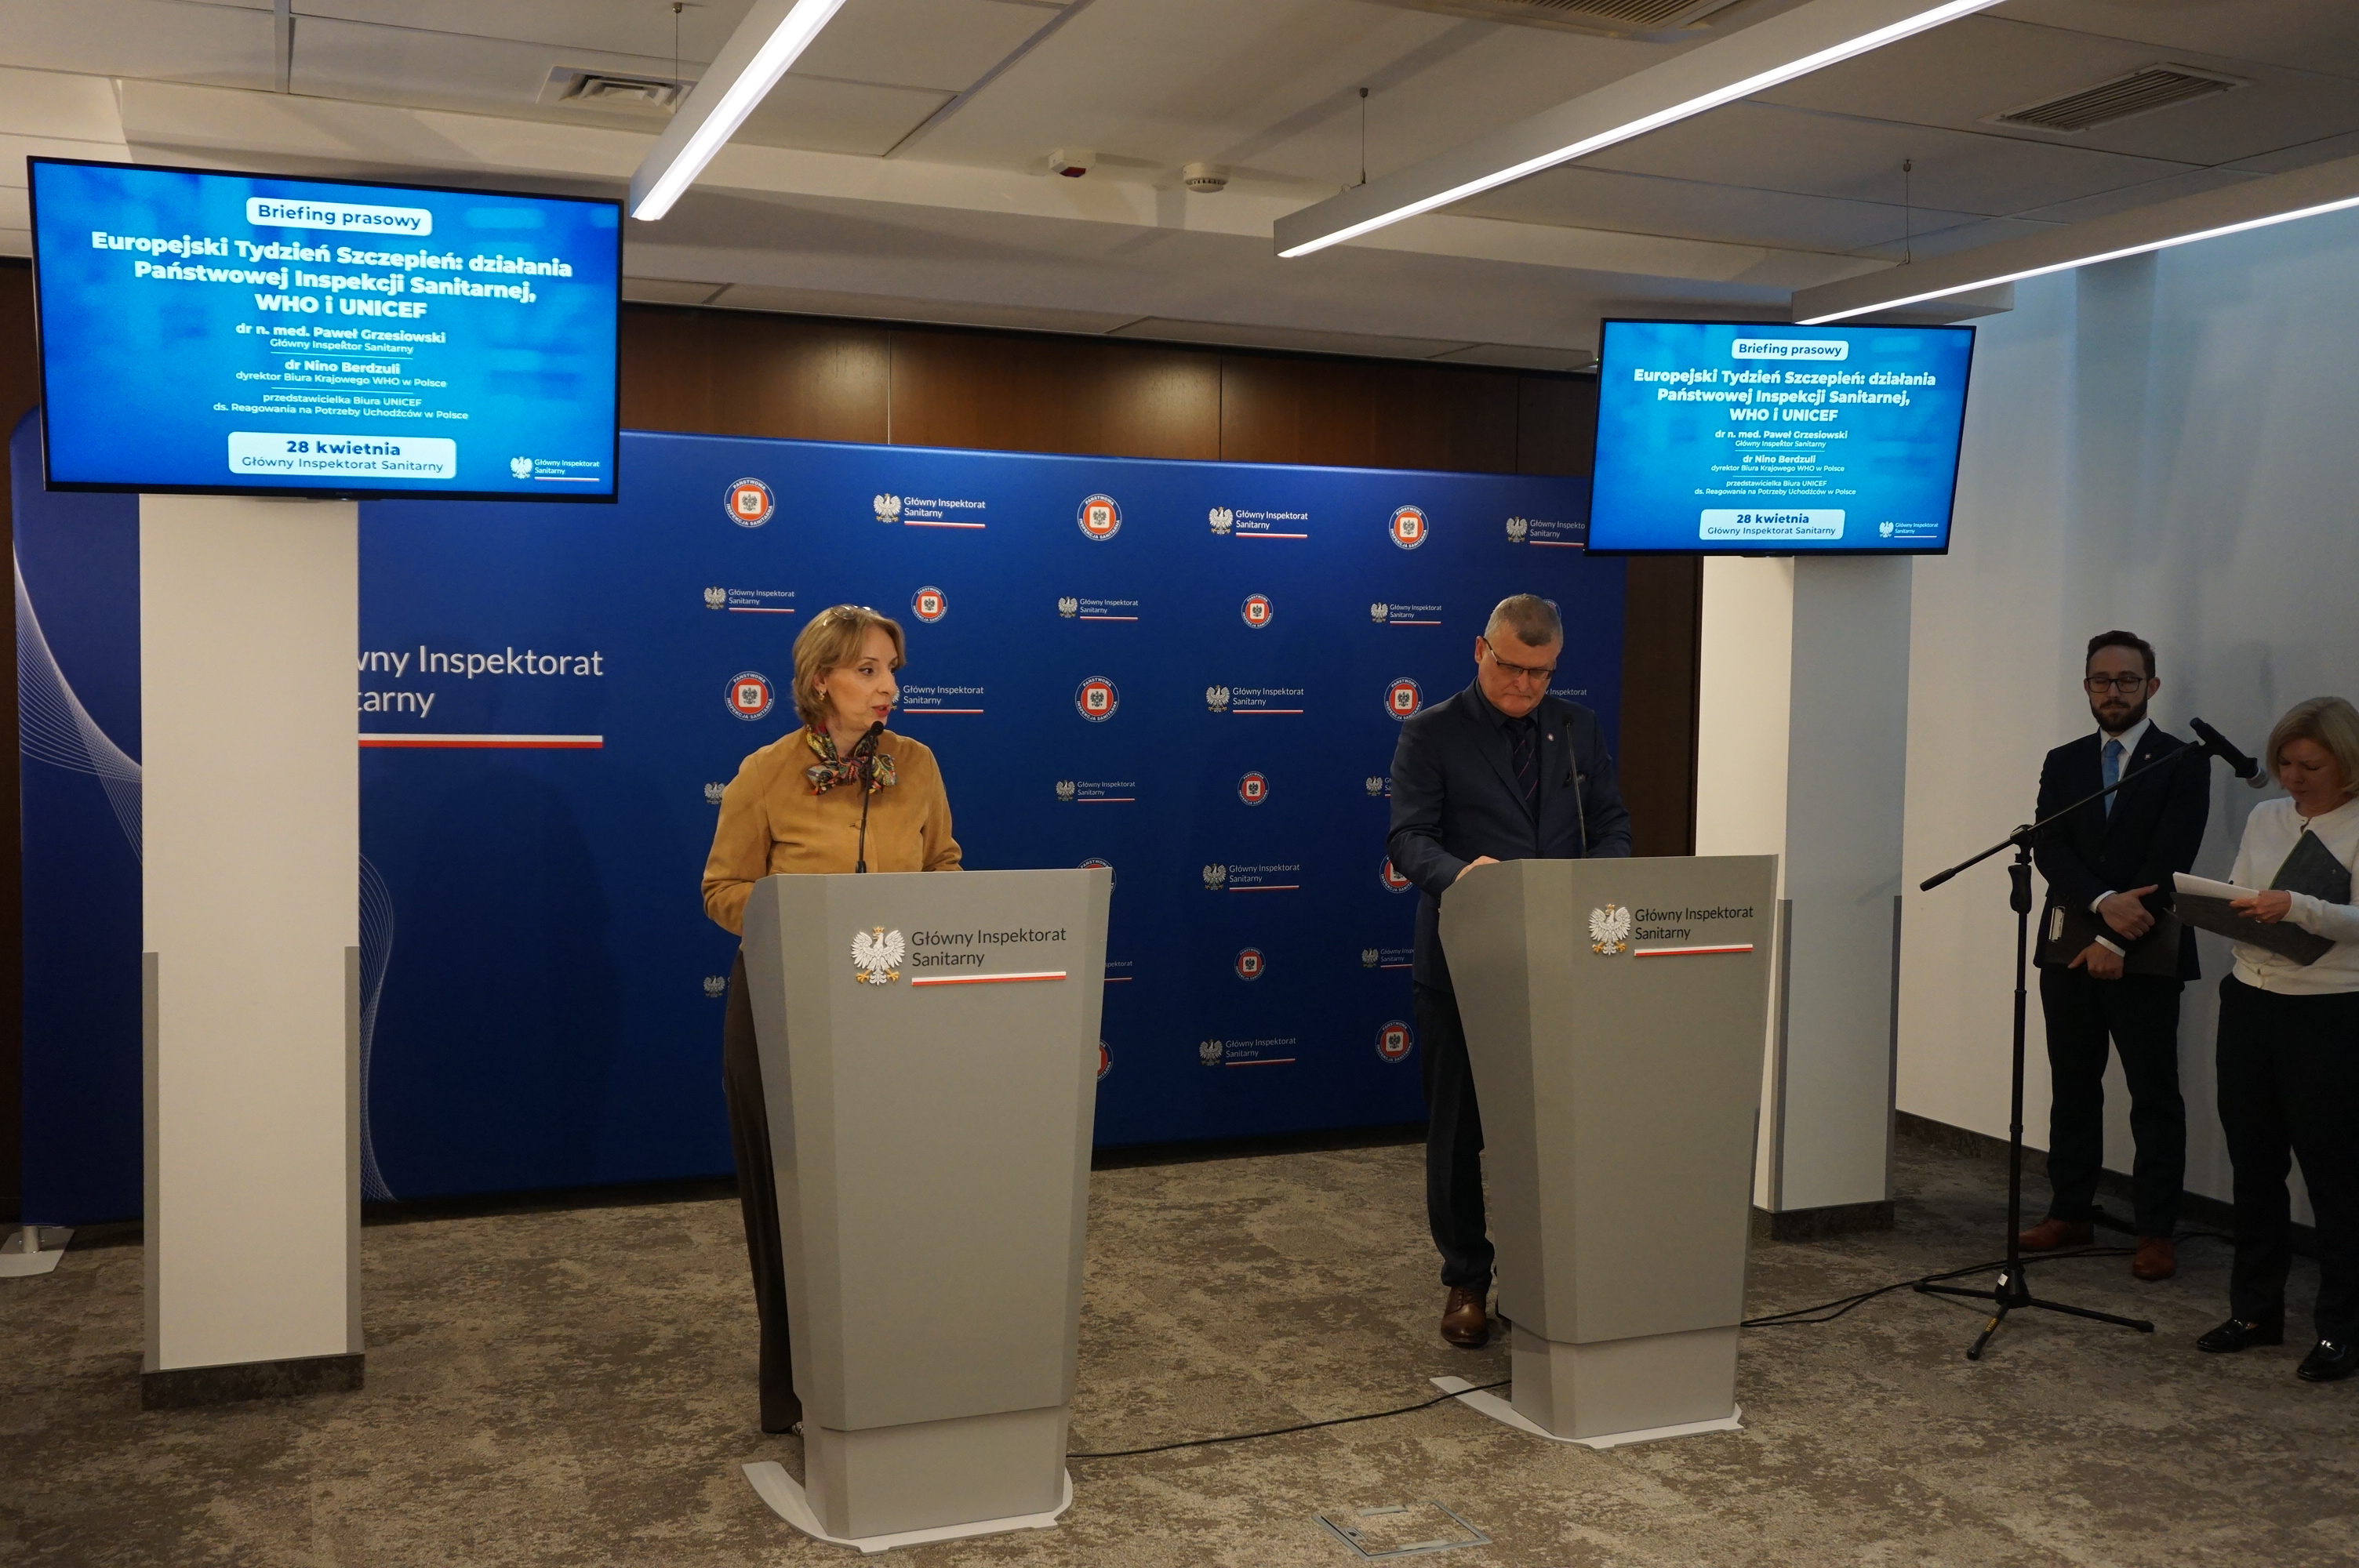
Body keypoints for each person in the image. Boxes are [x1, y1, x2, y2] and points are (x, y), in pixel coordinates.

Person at [700, 604, 961, 1433]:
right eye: (868, 670)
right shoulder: (765, 770)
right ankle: (795, 1388)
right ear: (821, 680)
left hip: (894, 1005)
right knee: (793, 1202)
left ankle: (901, 1371)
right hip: (788, 1003)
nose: (889, 688)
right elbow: (722, 889)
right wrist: (798, 918)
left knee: (898, 1195)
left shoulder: (917, 763)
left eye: (892, 671)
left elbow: (945, 864)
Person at [1385, 593, 1631, 1348]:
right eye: (1514, 668)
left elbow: (1612, 825)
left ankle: (1548, 1275)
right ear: (1480, 651)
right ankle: (1466, 1278)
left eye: (1542, 673)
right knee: (1458, 1132)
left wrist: (1592, 881)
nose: (1526, 686)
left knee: (1557, 1126)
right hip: (1465, 962)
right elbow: (1409, 838)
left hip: (1561, 961)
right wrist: (1466, 877)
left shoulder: (1577, 728)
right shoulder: (1432, 732)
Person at [2023, 631, 2208, 1281]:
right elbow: (2049, 846)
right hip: (2069, 942)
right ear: (2086, 687)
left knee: (2152, 1094)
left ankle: (2156, 1230)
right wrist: (2102, 904)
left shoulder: (2182, 760)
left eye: (2127, 680)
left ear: (2151, 686)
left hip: (2148, 947)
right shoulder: (2065, 760)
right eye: (2101, 680)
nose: (2113, 691)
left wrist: (2115, 937)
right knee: (2073, 1085)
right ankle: (2070, 1210)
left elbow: (2172, 856)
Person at [2196, 695, 2359, 1381]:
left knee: (2335, 1174)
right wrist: (2225, 903)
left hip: (2329, 1012)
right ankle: (2256, 1311)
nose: (2294, 777)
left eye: (2311, 766)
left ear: (2347, 763)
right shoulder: (2266, 816)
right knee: (2254, 1163)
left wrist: (2300, 908)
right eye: (2285, 763)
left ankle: (2343, 1328)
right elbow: (2240, 889)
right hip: (2251, 1001)